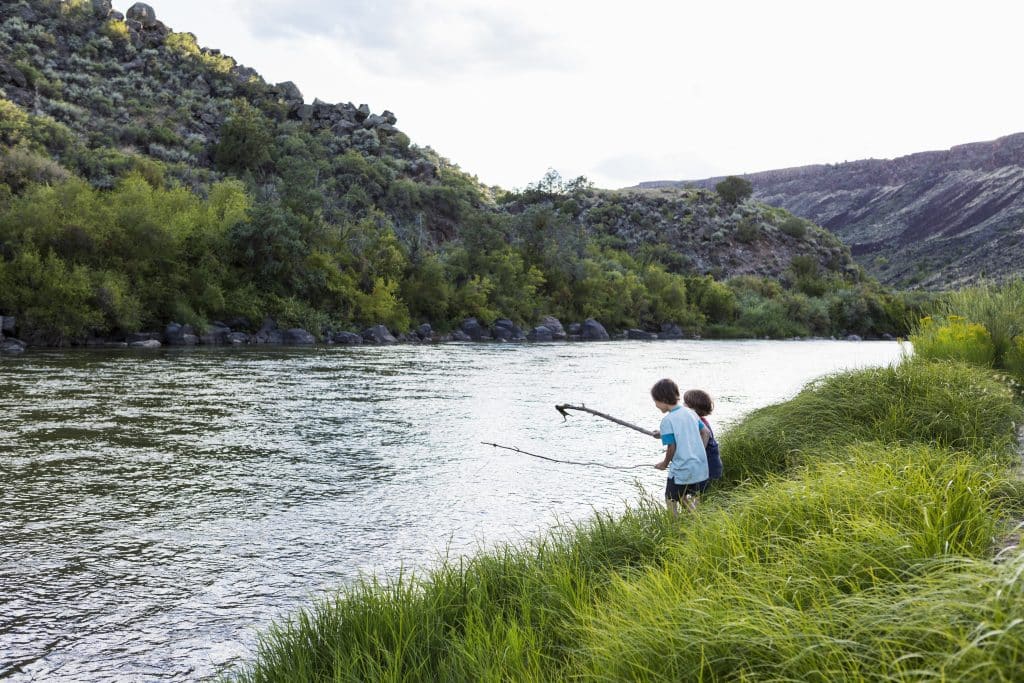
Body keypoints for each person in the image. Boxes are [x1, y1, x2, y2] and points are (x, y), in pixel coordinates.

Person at [651, 378, 709, 514]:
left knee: (670, 499)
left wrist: (664, 464)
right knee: (682, 495)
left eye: (656, 401)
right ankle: (696, 521)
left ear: (663, 399)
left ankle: (675, 527)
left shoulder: (667, 421)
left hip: (682, 469)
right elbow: (705, 432)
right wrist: (700, 451)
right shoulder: (691, 412)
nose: (656, 405)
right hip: (699, 466)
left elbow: (672, 447)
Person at [684, 389, 723, 484]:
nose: (682, 405)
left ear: (692, 408)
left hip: (708, 470)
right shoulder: (699, 421)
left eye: (685, 403)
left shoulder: (699, 424)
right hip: (711, 467)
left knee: (700, 493)